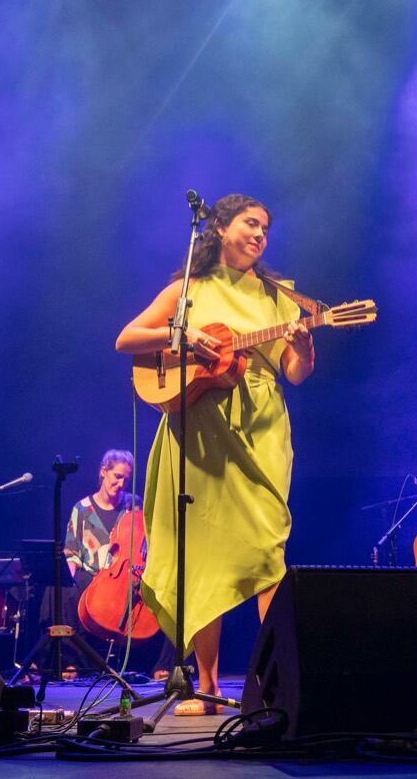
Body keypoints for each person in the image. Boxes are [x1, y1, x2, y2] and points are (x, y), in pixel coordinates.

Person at [115, 194, 314, 713]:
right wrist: (183, 336)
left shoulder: (278, 296)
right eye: (251, 223)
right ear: (220, 227)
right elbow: (127, 339)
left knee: (267, 552)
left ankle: (278, 683)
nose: (261, 234)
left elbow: (295, 373)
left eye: (266, 228)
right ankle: (207, 687)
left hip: (259, 429)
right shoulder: (189, 289)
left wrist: (304, 347)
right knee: (201, 558)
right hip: (196, 429)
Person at [64, 450, 136, 595]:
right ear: (103, 472)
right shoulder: (82, 509)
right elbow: (72, 554)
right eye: (117, 476)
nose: (121, 484)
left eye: (126, 480)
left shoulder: (132, 506)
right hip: (89, 586)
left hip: (123, 588)